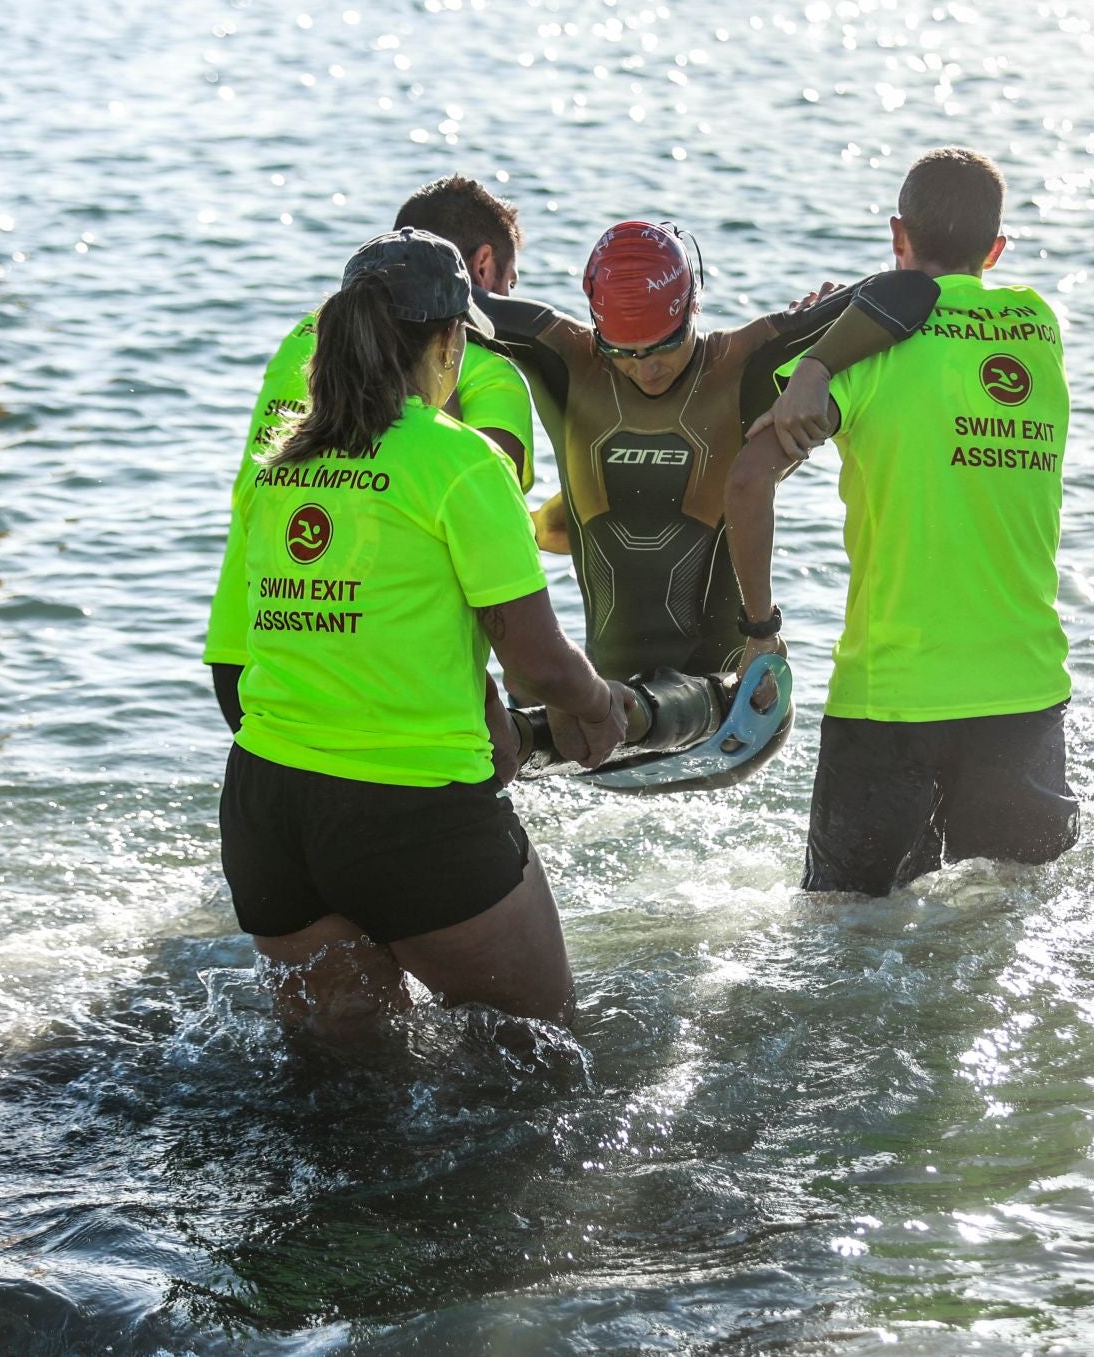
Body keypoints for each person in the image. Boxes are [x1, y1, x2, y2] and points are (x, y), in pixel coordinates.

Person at [219, 227, 632, 1041]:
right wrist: (601, 704)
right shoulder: (460, 460)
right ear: (449, 343)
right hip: (410, 817)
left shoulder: (282, 465)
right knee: (539, 1054)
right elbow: (541, 660)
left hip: (270, 813)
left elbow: (359, 625)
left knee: (344, 1089)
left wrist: (475, 696)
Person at [725, 147, 1081, 895]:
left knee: (844, 942)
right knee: (1006, 928)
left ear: (897, 234)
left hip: (888, 702)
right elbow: (923, 301)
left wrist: (760, 625)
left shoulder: (860, 361)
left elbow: (750, 478)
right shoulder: (1038, 326)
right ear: (997, 248)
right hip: (1022, 695)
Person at [474, 223, 943, 681]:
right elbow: (436, 292)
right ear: (596, 328)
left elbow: (908, 290)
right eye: (622, 352)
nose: (647, 369)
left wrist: (816, 368)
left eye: (666, 345)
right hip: (606, 695)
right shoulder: (566, 356)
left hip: (721, 692)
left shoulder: (743, 360)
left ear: (693, 307)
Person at [205, 175, 537, 733]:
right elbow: (483, 534)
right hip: (378, 666)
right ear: (481, 269)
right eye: (508, 281)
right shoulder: (489, 370)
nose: (507, 297)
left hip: (251, 650)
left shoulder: (305, 340)